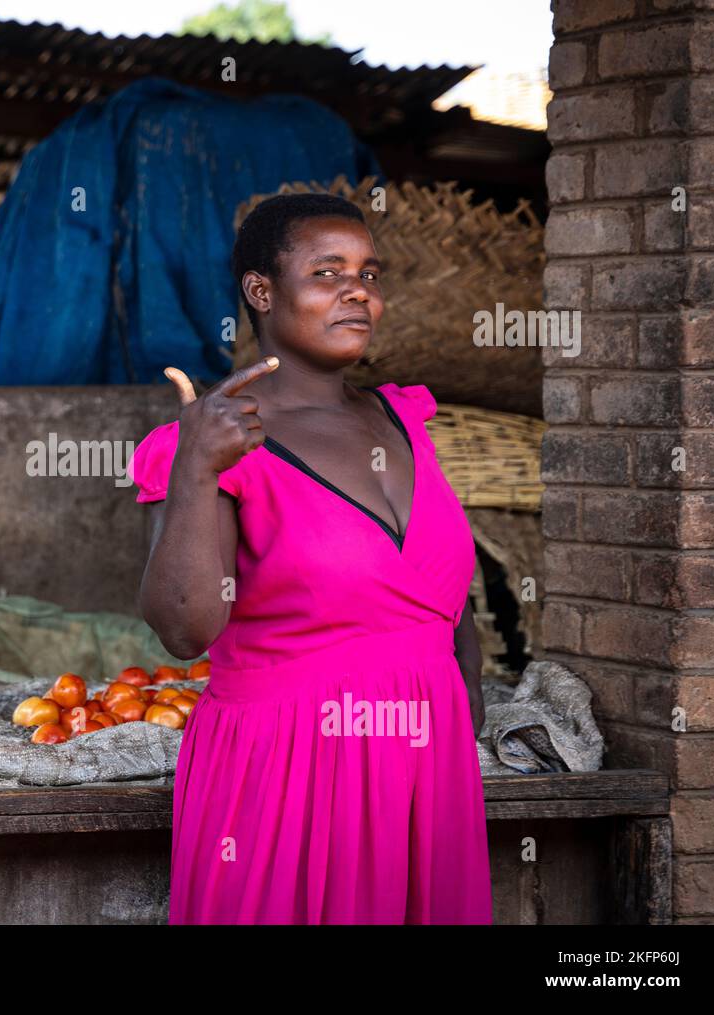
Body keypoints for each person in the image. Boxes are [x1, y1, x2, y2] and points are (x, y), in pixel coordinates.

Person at [130, 192, 492, 924]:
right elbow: (184, 629)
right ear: (262, 291)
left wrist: (462, 714)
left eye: (369, 272)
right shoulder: (214, 441)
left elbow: (447, 601)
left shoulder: (405, 419)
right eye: (328, 272)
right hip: (288, 773)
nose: (358, 290)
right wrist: (197, 469)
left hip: (425, 776)